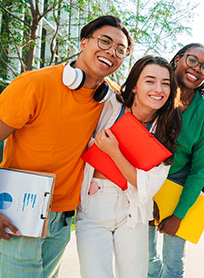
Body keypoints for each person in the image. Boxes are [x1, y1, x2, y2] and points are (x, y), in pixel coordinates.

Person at [0, 15, 133, 277]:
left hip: (62, 218)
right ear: (84, 42)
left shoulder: (111, 100)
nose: (111, 52)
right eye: (104, 42)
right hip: (17, 213)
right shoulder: (34, 84)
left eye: (120, 50)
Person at [75, 56, 182, 277]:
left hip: (132, 210)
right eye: (150, 81)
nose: (158, 89)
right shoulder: (109, 105)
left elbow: (146, 187)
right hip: (94, 203)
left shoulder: (165, 127)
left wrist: (113, 151)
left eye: (165, 83)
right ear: (134, 86)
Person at [148, 43, 204, 278]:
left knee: (174, 263)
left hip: (179, 184)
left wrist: (178, 215)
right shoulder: (157, 94)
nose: (197, 69)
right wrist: (144, 197)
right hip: (143, 179)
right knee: (146, 259)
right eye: (192, 60)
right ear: (177, 59)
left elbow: (200, 169)